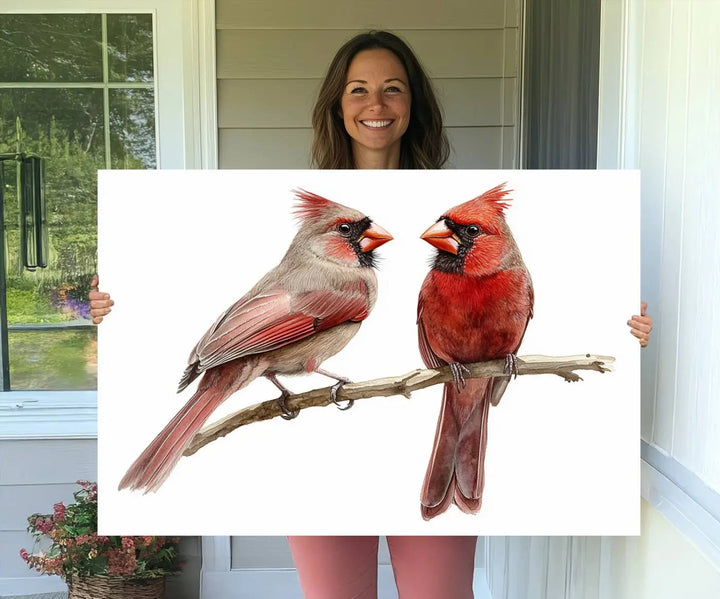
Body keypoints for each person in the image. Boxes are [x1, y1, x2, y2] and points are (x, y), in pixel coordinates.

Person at [89, 30, 652, 598]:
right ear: (338, 105)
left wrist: (622, 326)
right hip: (325, 468)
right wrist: (121, 311)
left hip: (405, 424)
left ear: (414, 106)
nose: (376, 104)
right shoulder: (312, 224)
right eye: (358, 90)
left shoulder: (454, 206)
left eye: (393, 89)